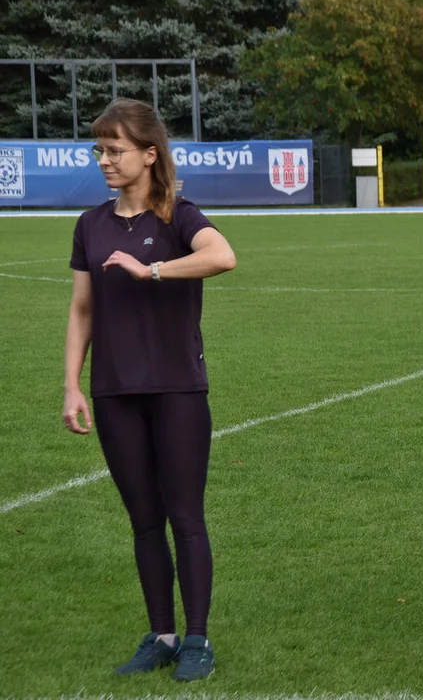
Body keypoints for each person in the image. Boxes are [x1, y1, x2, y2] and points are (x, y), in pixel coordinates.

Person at [61, 98, 237, 682]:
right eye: (100, 151)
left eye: (116, 151)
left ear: (148, 154)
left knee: (186, 517)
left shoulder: (179, 216)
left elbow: (222, 256)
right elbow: (82, 309)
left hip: (177, 390)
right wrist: (72, 386)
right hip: (115, 392)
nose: (105, 161)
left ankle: (197, 639)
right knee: (143, 519)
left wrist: (153, 270)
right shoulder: (90, 224)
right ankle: (161, 632)